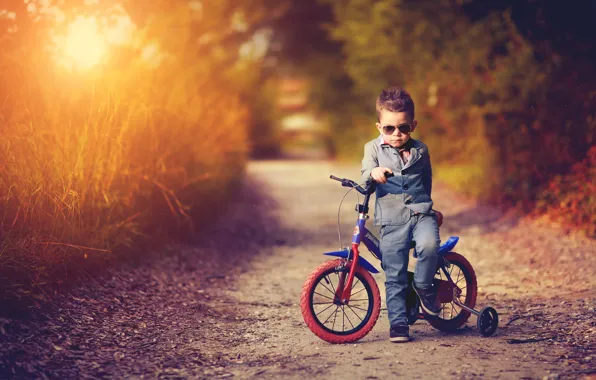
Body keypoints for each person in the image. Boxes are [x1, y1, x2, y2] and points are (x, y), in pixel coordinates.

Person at [361, 87, 443, 343]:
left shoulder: (421, 150)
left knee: (430, 246)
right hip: (392, 219)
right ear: (379, 127)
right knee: (394, 272)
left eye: (403, 128)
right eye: (389, 129)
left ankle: (423, 287)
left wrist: (429, 206)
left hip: (421, 214)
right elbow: (365, 174)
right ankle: (398, 323)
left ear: (413, 125)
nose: (397, 134)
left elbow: (426, 181)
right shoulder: (372, 149)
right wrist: (373, 174)